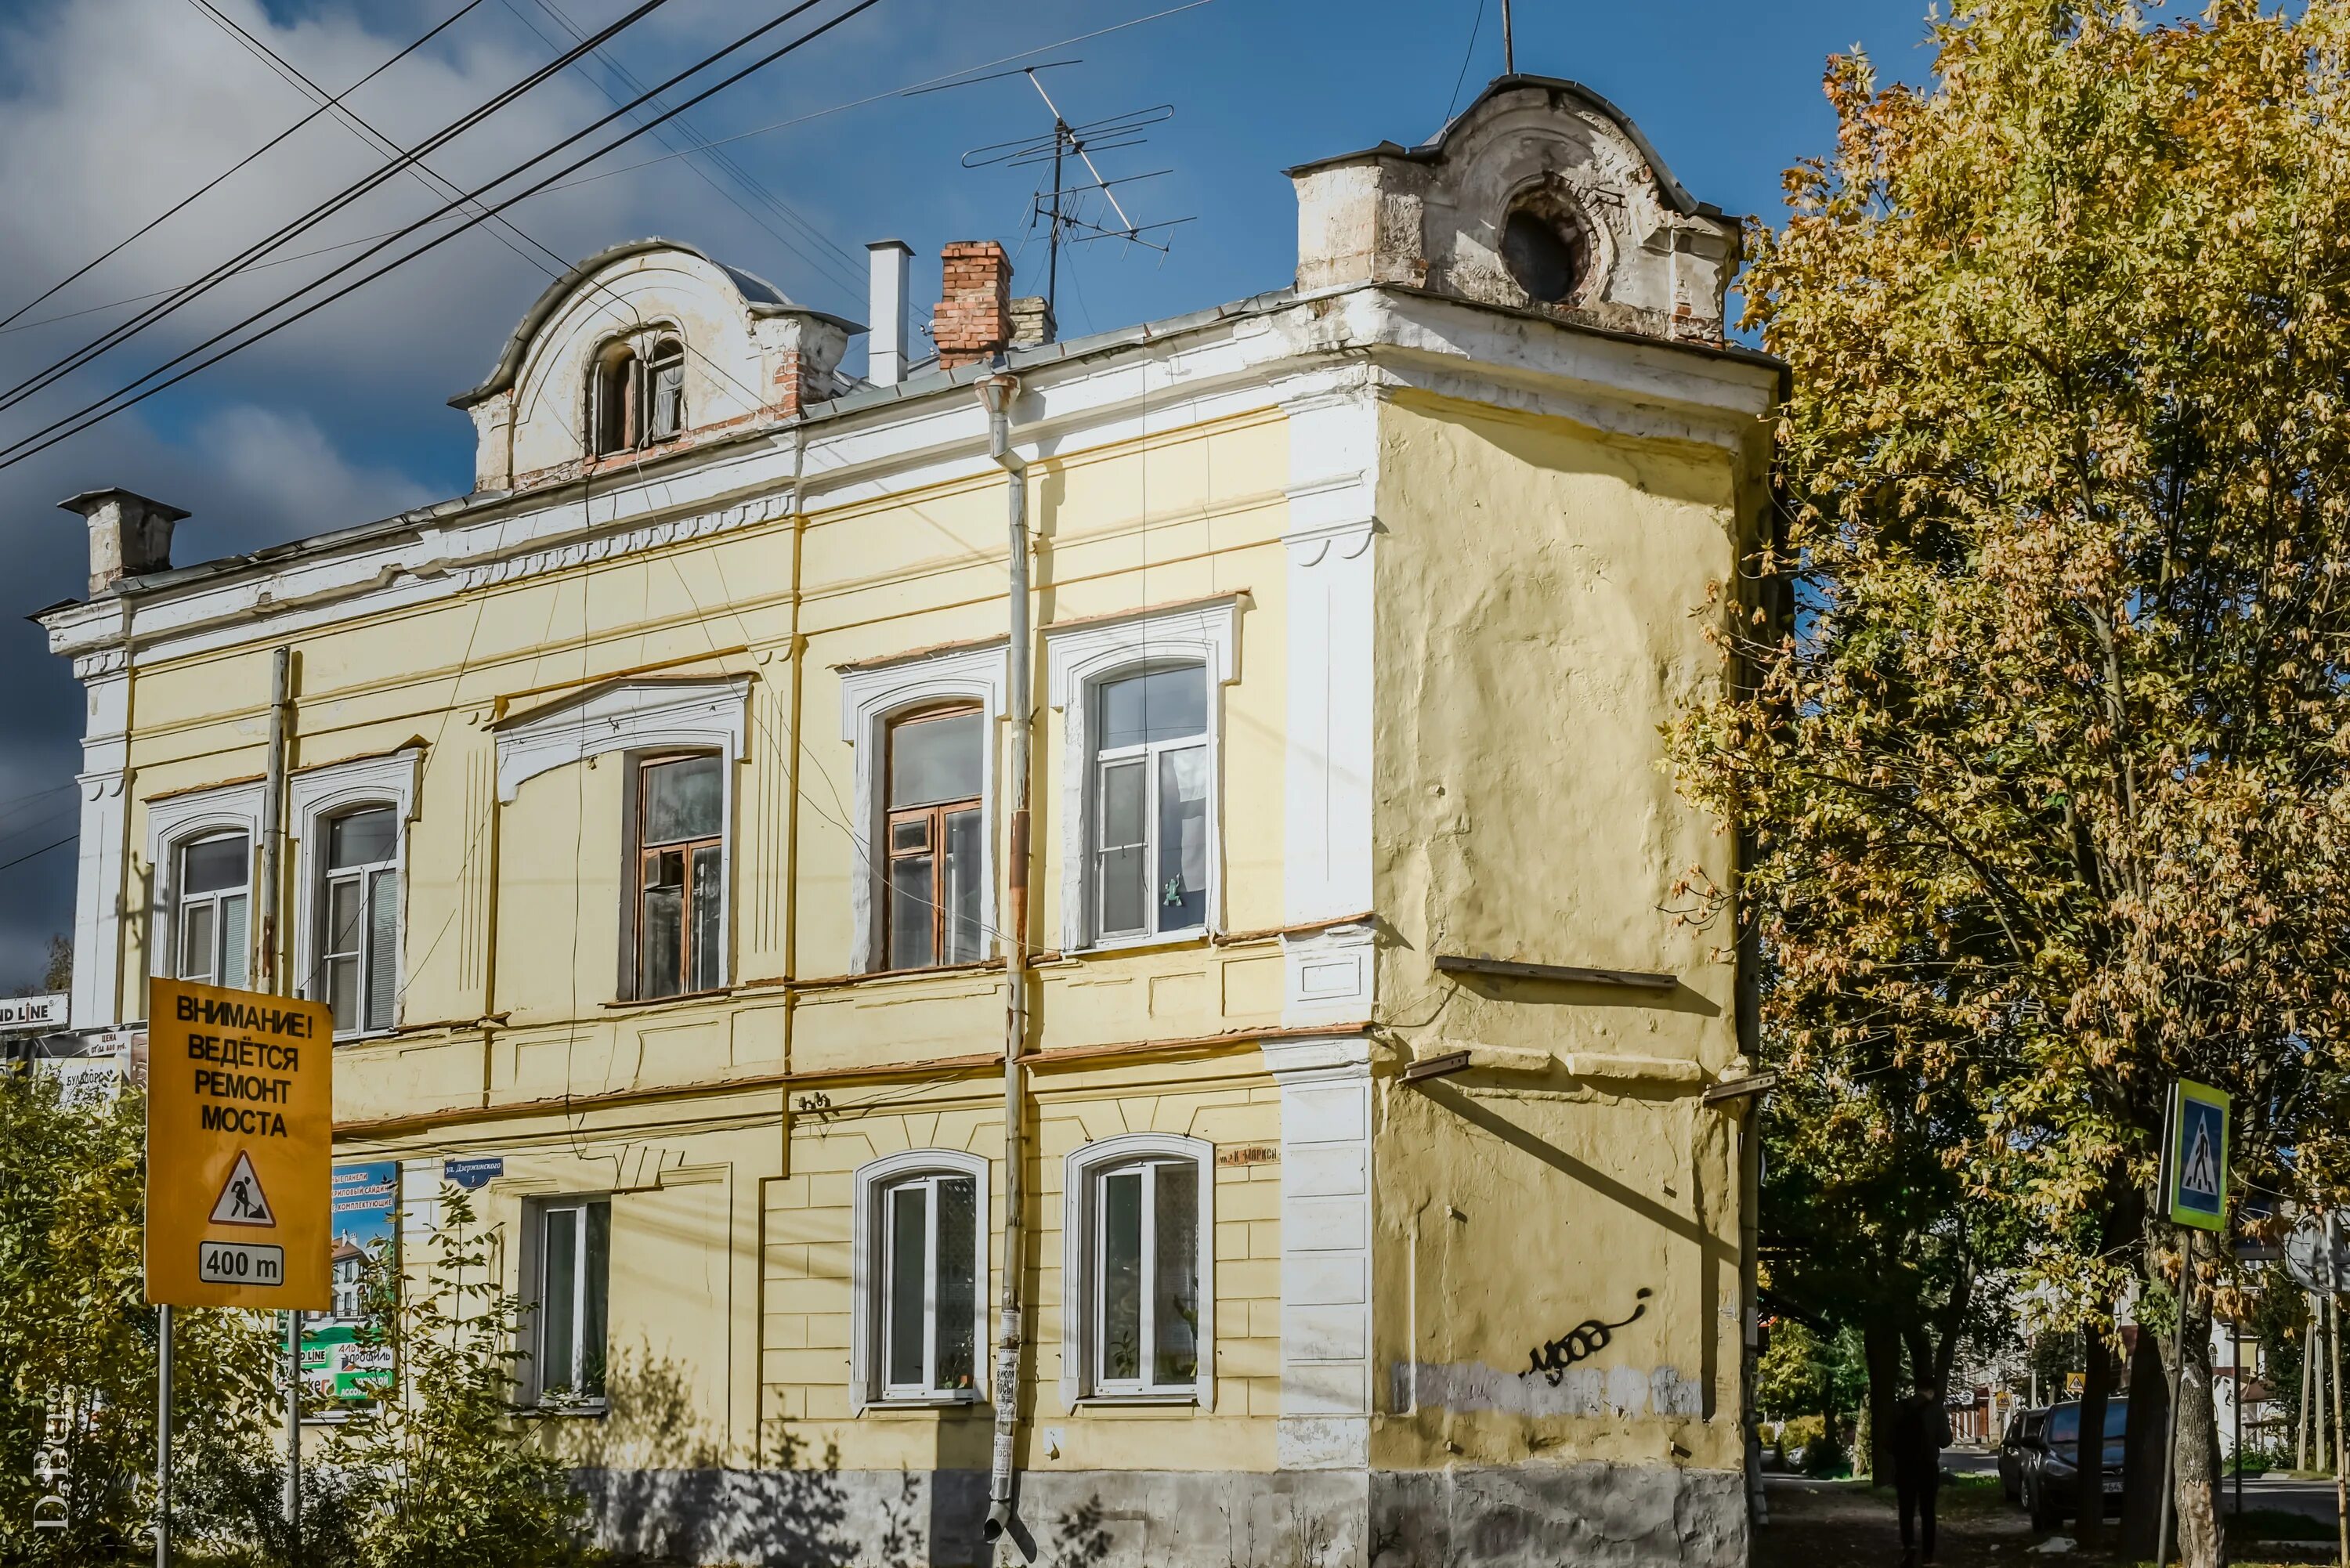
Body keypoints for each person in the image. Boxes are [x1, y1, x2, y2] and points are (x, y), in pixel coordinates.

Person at [1890, 1381, 1950, 1564]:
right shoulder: (1936, 1410)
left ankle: (1909, 1546)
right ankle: (1928, 1554)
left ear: (1916, 1390)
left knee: (1906, 1509)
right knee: (1928, 1511)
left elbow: (1888, 1441)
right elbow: (1945, 1440)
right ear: (1931, 1392)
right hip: (1927, 1467)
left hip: (1904, 1467)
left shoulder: (1900, 1408)